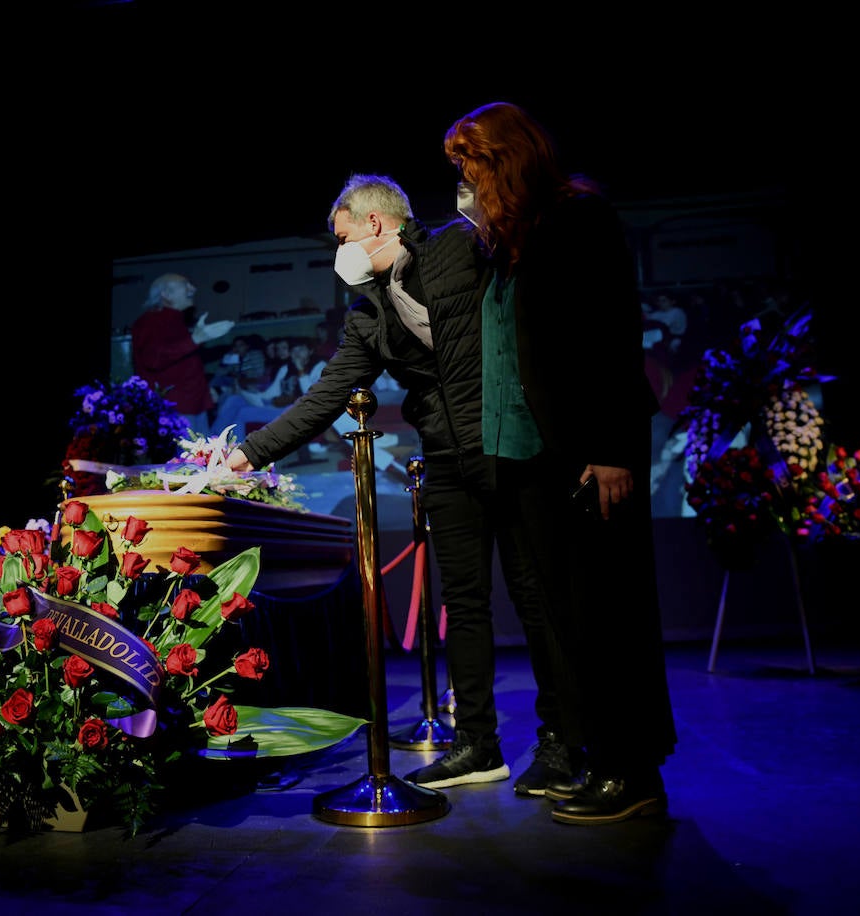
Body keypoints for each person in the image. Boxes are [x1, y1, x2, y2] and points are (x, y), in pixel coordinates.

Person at [225, 174, 577, 796]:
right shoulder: (369, 318)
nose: (337, 248)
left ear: (375, 225)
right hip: (446, 460)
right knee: (463, 605)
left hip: (513, 449)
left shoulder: (457, 249)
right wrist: (248, 455)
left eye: (341, 235)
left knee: (537, 597)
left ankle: (562, 742)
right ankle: (476, 744)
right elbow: (326, 397)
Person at [443, 101, 677, 825]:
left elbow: (611, 335)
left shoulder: (578, 219)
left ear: (503, 160)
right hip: (531, 457)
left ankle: (631, 768)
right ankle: (597, 756)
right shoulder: (511, 240)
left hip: (588, 451)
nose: (465, 182)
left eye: (469, 167)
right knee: (570, 619)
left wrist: (607, 449)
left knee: (609, 613)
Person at [130, 273, 234, 434]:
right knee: (187, 458)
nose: (193, 288)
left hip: (191, 404)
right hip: (176, 407)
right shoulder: (150, 321)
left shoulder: (176, 320)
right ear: (166, 294)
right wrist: (195, 339)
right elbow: (152, 359)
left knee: (201, 456)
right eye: (186, 284)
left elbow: (183, 361)